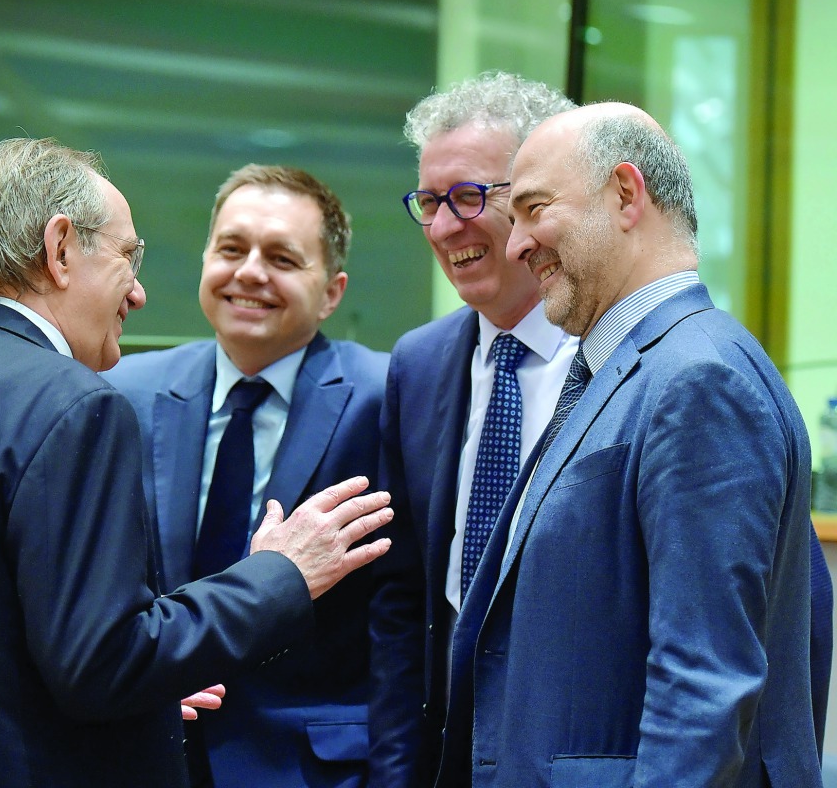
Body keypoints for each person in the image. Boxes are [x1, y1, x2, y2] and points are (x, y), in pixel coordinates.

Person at [0, 138, 395, 788]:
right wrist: (279, 574)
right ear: (60, 249)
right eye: (127, 257)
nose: (138, 293)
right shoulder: (75, 405)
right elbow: (105, 664)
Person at [439, 102, 824, 786]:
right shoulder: (629, 368)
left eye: (532, 208)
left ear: (625, 193)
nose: (516, 242)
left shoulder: (699, 380)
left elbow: (703, 684)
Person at [105, 164, 388, 787]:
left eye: (282, 258)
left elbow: (400, 614)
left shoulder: (386, 397)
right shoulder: (123, 393)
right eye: (231, 249)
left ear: (332, 291)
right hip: (146, 752)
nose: (250, 271)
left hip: (314, 767)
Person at [366, 72, 578, 787]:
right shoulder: (418, 365)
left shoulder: (624, 361)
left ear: (537, 201)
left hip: (576, 754)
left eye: (468, 197)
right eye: (429, 202)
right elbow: (401, 601)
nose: (445, 226)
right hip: (447, 751)